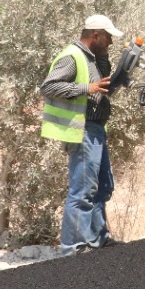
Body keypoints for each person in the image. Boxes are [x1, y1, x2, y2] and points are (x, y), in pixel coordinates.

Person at [39, 13, 122, 253]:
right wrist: (87, 88)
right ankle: (73, 248)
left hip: (96, 129)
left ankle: (98, 238)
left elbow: (102, 89)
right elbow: (48, 87)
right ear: (95, 35)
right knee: (83, 191)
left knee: (103, 187)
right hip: (82, 130)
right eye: (107, 38)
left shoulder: (94, 58)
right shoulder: (72, 56)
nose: (111, 43)